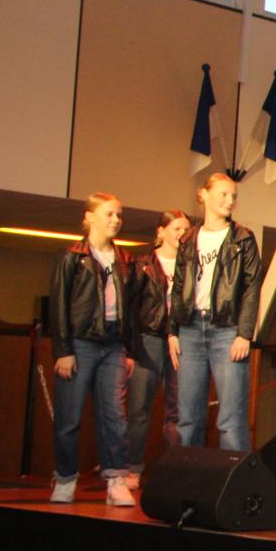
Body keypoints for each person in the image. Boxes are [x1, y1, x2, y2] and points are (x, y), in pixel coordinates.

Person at [48, 193, 137, 505]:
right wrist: (63, 350)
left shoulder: (125, 259)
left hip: (113, 344)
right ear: (89, 217)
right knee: (69, 416)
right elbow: (59, 304)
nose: (116, 220)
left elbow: (132, 308)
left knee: (114, 414)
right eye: (109, 214)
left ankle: (116, 479)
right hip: (80, 342)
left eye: (119, 215)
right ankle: (65, 478)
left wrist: (130, 350)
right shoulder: (72, 256)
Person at [167, 172, 261, 452]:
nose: (230, 201)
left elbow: (251, 287)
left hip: (227, 329)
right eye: (224, 194)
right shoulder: (189, 239)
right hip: (190, 327)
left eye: (234, 196)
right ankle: (190, 475)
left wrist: (244, 333)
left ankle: (232, 477)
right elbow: (179, 286)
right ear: (204, 195)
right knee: (188, 416)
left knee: (231, 418)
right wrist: (172, 331)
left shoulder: (243, 238)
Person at [123, 208, 188, 488]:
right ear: (161, 231)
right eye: (176, 229)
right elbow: (130, 308)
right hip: (148, 340)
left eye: (185, 230)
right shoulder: (143, 264)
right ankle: (132, 468)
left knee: (178, 410)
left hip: (180, 340)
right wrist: (129, 349)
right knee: (139, 407)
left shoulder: (190, 265)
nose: (181, 235)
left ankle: (175, 469)